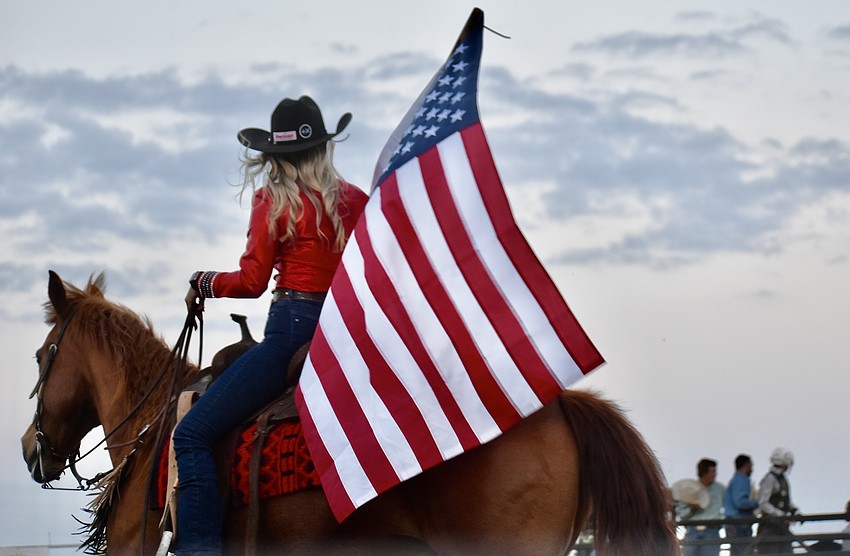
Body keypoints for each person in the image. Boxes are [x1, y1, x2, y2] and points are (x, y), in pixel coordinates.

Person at [172, 95, 369, 556]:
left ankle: (198, 551)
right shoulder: (356, 201)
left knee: (192, 434)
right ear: (323, 148)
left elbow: (252, 281)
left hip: (291, 333)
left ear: (274, 156)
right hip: (342, 335)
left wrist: (203, 283)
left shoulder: (273, 200)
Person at [676, 458, 726, 556]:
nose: (715, 474)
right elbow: (681, 513)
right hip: (693, 532)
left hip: (712, 531)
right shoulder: (689, 489)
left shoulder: (720, 489)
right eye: (713, 471)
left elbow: (728, 507)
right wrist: (692, 508)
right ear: (704, 472)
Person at [756, 447, 798, 554]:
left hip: (781, 528)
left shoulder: (782, 478)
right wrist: (781, 514)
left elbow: (785, 500)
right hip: (770, 528)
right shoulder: (770, 479)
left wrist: (794, 510)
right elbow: (763, 503)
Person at [723, 454, 759, 555]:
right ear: (746, 465)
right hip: (739, 524)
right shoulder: (742, 479)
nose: (752, 469)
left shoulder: (736, 479)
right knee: (743, 552)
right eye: (751, 466)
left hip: (734, 523)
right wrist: (758, 503)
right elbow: (740, 502)